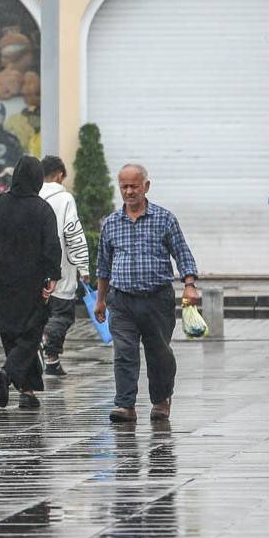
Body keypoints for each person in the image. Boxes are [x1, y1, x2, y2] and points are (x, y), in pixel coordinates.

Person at [95, 164, 198, 423]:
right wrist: (100, 300)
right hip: (121, 301)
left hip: (157, 300)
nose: (129, 191)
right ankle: (125, 404)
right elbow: (103, 266)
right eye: (124, 187)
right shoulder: (110, 224)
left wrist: (189, 284)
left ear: (146, 187)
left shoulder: (164, 219)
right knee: (124, 352)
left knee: (159, 353)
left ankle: (161, 400)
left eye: (134, 186)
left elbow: (182, 253)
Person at [0, 156, 61, 410]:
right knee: (30, 335)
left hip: (2, 281)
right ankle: (7, 372)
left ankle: (27, 390)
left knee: (10, 334)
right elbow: (51, 246)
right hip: (31, 282)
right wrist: (53, 276)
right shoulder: (42, 209)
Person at [39, 156, 90, 376]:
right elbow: (73, 233)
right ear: (60, 174)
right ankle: (46, 345)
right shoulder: (65, 198)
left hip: (33, 270)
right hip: (61, 268)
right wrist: (84, 267)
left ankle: (52, 361)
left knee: (39, 314)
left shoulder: (31, 195)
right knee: (62, 315)